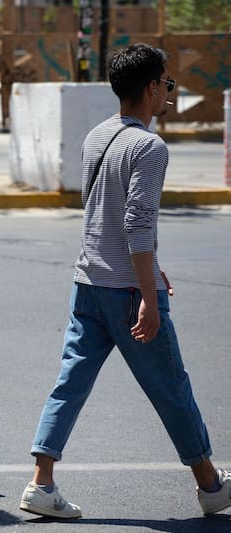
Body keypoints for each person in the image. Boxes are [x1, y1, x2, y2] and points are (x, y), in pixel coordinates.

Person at [19, 43, 231, 519]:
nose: (168, 91)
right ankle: (211, 484)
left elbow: (103, 212)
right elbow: (136, 221)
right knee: (171, 387)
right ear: (152, 88)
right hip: (128, 290)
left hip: (88, 282)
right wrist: (149, 294)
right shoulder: (150, 147)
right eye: (167, 83)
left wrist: (151, 265)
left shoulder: (97, 136)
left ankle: (41, 482)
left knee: (70, 383)